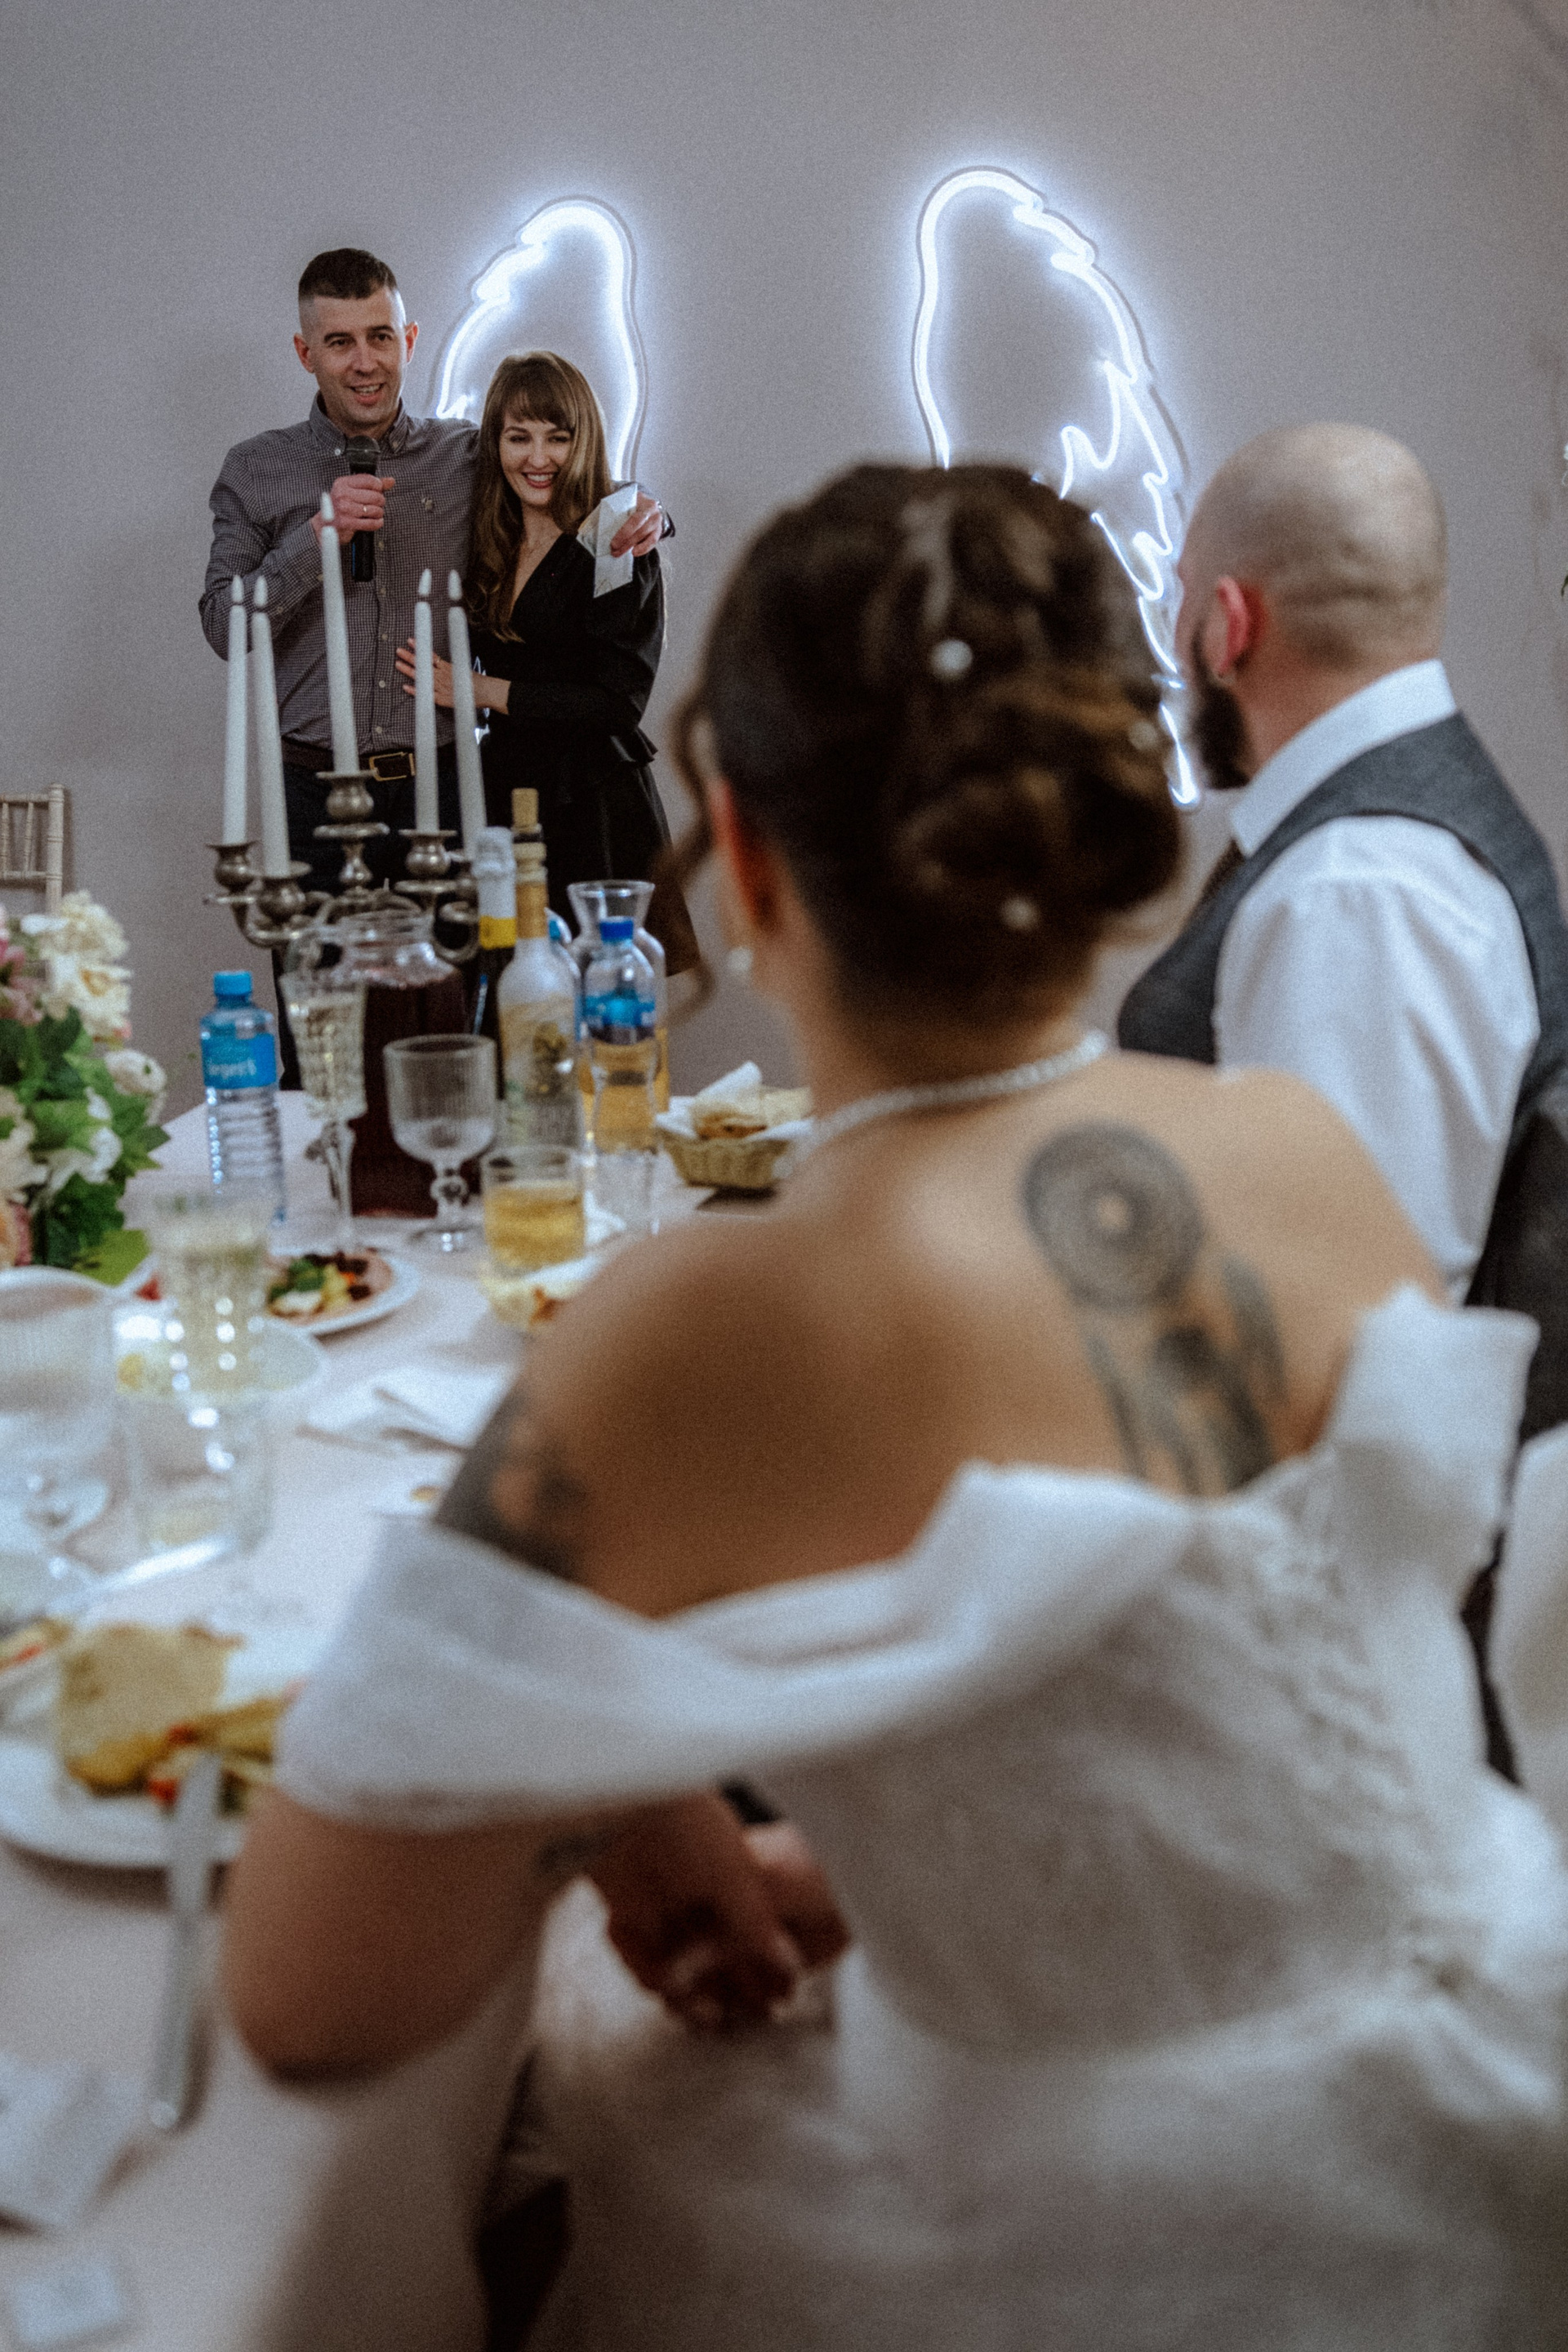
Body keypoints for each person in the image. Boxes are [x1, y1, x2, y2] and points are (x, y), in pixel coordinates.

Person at [225, 465, 1568, 2349]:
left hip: (1133, 2248)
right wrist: (902, 1877)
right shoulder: (1304, 1152)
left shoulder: (697, 1323)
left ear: (747, 858)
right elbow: (1213, 1720)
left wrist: (611, 1793)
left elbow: (308, 1994)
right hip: (1500, 2111)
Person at [1118, 424, 1568, 1428]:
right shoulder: (1378, 853)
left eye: (1182, 597)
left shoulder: (1357, 892)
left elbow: (1336, 1335)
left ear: (1230, 624)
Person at [200, 250, 664, 899]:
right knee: (319, 968)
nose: (365, 362)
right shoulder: (256, 469)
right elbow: (224, 626)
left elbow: (559, 479)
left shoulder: (466, 455)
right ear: (306, 353)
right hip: (313, 791)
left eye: (380, 337)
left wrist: (643, 512)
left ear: (409, 341)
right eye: (340, 343)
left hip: (447, 787)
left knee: (458, 968)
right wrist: (314, 541)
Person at [393, 350, 696, 967]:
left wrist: (481, 691)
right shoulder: (489, 532)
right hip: (505, 790)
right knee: (510, 989)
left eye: (558, 438)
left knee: (601, 997)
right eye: (519, 437)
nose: (538, 458)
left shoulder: (614, 532)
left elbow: (618, 703)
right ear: (495, 444)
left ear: (584, 441)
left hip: (591, 802)